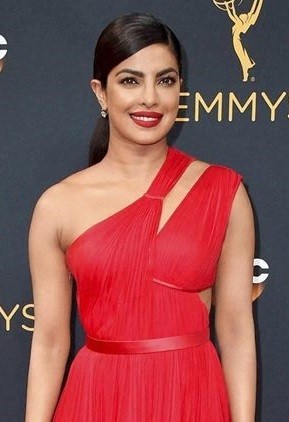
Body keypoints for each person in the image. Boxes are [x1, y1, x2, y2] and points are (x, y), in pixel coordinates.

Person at [25, 13, 256, 422]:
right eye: (130, 80)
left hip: (192, 397)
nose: (150, 98)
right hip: (96, 400)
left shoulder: (223, 192)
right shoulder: (57, 206)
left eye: (165, 80)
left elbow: (237, 331)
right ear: (101, 92)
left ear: (180, 89)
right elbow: (49, 341)